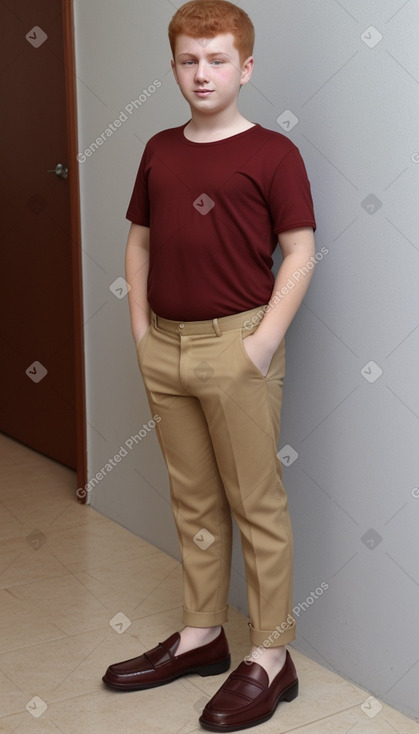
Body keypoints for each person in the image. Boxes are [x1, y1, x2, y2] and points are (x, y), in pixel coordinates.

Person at [102, 1, 316, 730]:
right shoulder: (160, 147)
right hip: (165, 347)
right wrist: (141, 332)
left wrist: (258, 345)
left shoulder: (272, 154)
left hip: (237, 351)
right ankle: (201, 635)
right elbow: (138, 242)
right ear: (172, 67)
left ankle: (270, 655)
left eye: (217, 59)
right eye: (189, 60)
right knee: (193, 501)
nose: (202, 72)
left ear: (244, 66)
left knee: (256, 505)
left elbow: (300, 251)